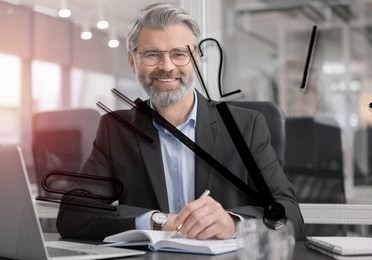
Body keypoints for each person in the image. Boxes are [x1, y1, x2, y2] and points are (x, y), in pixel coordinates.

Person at [57, 3, 304, 241]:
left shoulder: (246, 127)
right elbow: (73, 214)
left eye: (179, 54)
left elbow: (289, 215)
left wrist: (233, 223)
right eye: (152, 55)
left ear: (195, 59)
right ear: (133, 62)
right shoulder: (117, 130)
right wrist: (158, 221)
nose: (167, 67)